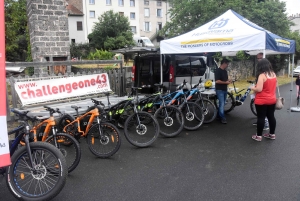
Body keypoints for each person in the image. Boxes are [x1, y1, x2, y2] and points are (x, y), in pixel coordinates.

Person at [250, 58, 277, 141]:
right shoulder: (273, 74)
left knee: (261, 118)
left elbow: (259, 89)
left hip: (262, 100)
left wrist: (252, 87)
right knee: (271, 117)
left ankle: (258, 136)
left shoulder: (262, 75)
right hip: (272, 99)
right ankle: (272, 134)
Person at [252, 53, 269, 130]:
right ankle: (260, 121)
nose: (258, 60)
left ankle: (264, 124)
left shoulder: (265, 71)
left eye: (259, 58)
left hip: (263, 94)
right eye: (257, 58)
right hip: (262, 93)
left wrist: (253, 88)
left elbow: (260, 88)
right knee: (260, 112)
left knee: (263, 111)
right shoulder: (261, 69)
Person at [215, 58, 232, 124]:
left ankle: (218, 115)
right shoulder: (218, 71)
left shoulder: (225, 71)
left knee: (223, 103)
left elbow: (225, 80)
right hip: (219, 90)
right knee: (222, 104)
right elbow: (217, 81)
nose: (227, 65)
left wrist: (228, 81)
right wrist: (226, 83)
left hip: (224, 89)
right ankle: (222, 118)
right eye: (227, 64)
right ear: (224, 63)